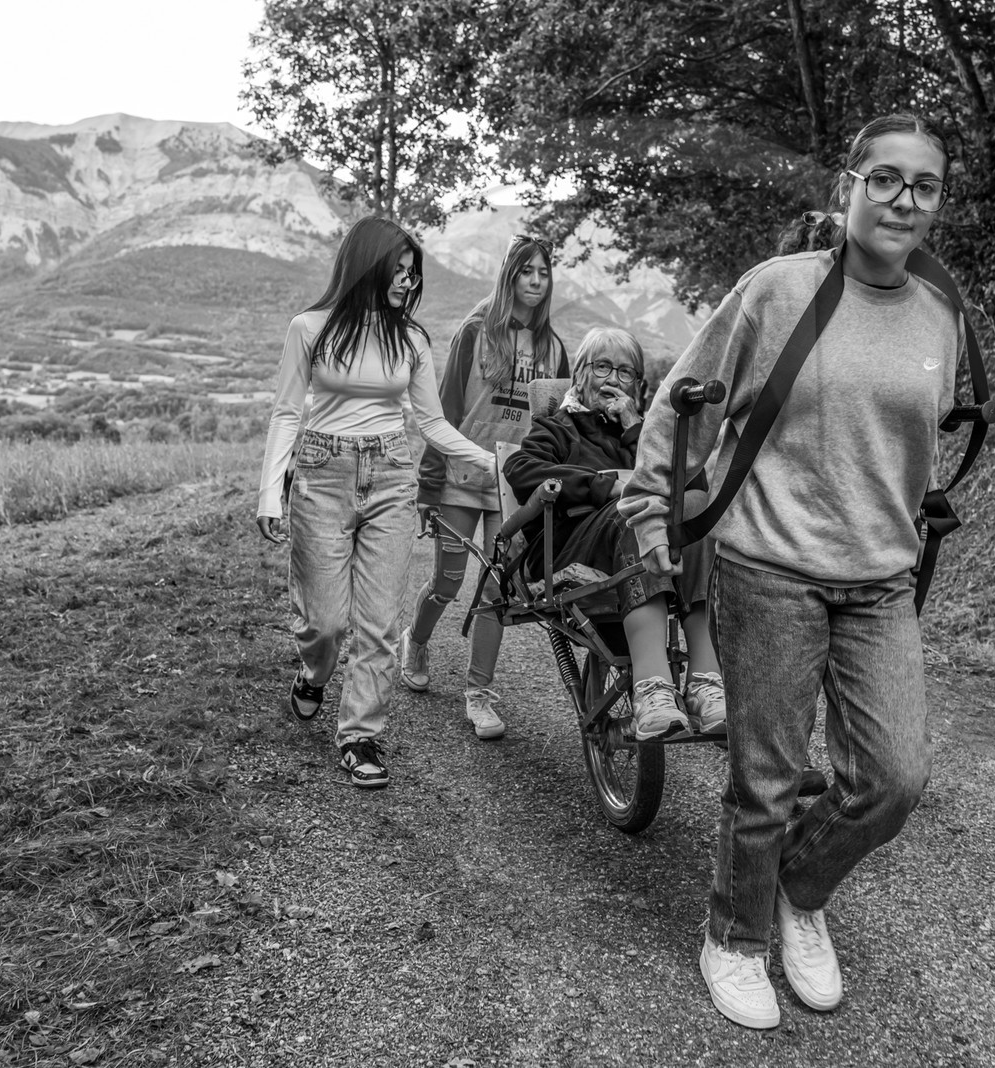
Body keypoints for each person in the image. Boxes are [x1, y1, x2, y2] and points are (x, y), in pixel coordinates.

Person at [620, 113, 963, 1029]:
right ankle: (733, 936)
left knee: (893, 779)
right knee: (764, 779)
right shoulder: (778, 292)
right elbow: (682, 400)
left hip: (880, 580)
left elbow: (919, 441)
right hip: (769, 566)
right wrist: (651, 505)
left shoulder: (942, 313)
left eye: (923, 185)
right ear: (846, 189)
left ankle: (797, 895)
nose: (903, 199)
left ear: (939, 204)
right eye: (884, 179)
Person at [256, 217, 494, 790]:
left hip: (391, 476)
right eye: (400, 270)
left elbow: (432, 421)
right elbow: (288, 412)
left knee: (379, 624)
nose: (408, 283)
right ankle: (315, 672)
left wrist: (493, 463)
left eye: (414, 275)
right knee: (326, 623)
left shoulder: (410, 340)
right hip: (321, 474)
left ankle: (362, 735)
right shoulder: (308, 328)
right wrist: (270, 491)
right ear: (368, 265)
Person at [504, 327, 726, 741]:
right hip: (569, 545)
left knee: (695, 509)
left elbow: (689, 488)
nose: (613, 379)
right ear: (580, 375)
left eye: (626, 373)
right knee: (637, 509)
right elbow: (520, 471)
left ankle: (704, 683)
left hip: (639, 543)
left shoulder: (640, 437)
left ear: (637, 387)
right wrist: (604, 485)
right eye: (602, 366)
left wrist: (634, 426)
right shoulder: (557, 428)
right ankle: (652, 689)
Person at [402, 234, 570, 741]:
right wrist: (428, 488)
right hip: (460, 477)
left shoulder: (554, 348)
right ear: (509, 275)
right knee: (448, 584)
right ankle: (416, 639)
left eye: (543, 273)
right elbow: (446, 413)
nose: (536, 282)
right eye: (527, 272)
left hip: (513, 487)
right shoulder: (475, 332)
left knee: (498, 589)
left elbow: (556, 426)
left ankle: (478, 693)